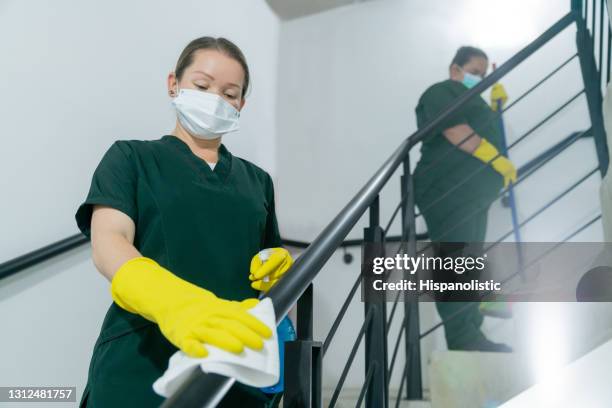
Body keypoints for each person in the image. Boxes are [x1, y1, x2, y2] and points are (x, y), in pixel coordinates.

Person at [74, 36, 293, 407]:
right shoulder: (131, 159)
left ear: (241, 104)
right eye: (202, 86)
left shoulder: (258, 181)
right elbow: (108, 242)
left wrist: (278, 265)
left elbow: (267, 252)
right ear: (174, 84)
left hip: (232, 358)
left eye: (229, 93)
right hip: (141, 358)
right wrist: (175, 304)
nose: (215, 100)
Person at [413, 46, 516, 352]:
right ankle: (462, 337)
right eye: (474, 72)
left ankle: (472, 334)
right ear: (455, 70)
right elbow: (456, 132)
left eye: (483, 75)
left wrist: (495, 107)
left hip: (473, 193)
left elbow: (486, 133)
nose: (478, 79)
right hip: (447, 188)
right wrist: (497, 160)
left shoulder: (474, 101)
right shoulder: (442, 91)